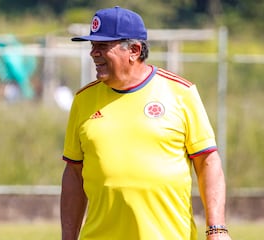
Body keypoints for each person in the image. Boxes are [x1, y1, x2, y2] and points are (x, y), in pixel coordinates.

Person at [60, 6, 231, 240]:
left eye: (102, 46)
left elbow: (208, 162)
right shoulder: (83, 100)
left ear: (134, 50)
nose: (93, 53)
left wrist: (217, 230)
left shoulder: (181, 92)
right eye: (92, 45)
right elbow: (74, 173)